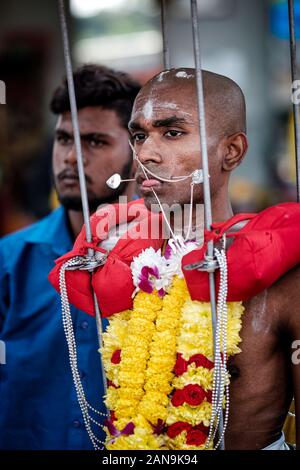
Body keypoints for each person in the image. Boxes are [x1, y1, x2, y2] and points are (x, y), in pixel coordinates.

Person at [50, 68, 300, 450]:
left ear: (231, 151)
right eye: (139, 135)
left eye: (172, 132)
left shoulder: (282, 277)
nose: (145, 153)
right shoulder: (123, 263)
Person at [0, 64, 140, 450]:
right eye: (64, 139)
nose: (72, 159)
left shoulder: (165, 259)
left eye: (95, 142)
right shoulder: (10, 261)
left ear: (138, 152)